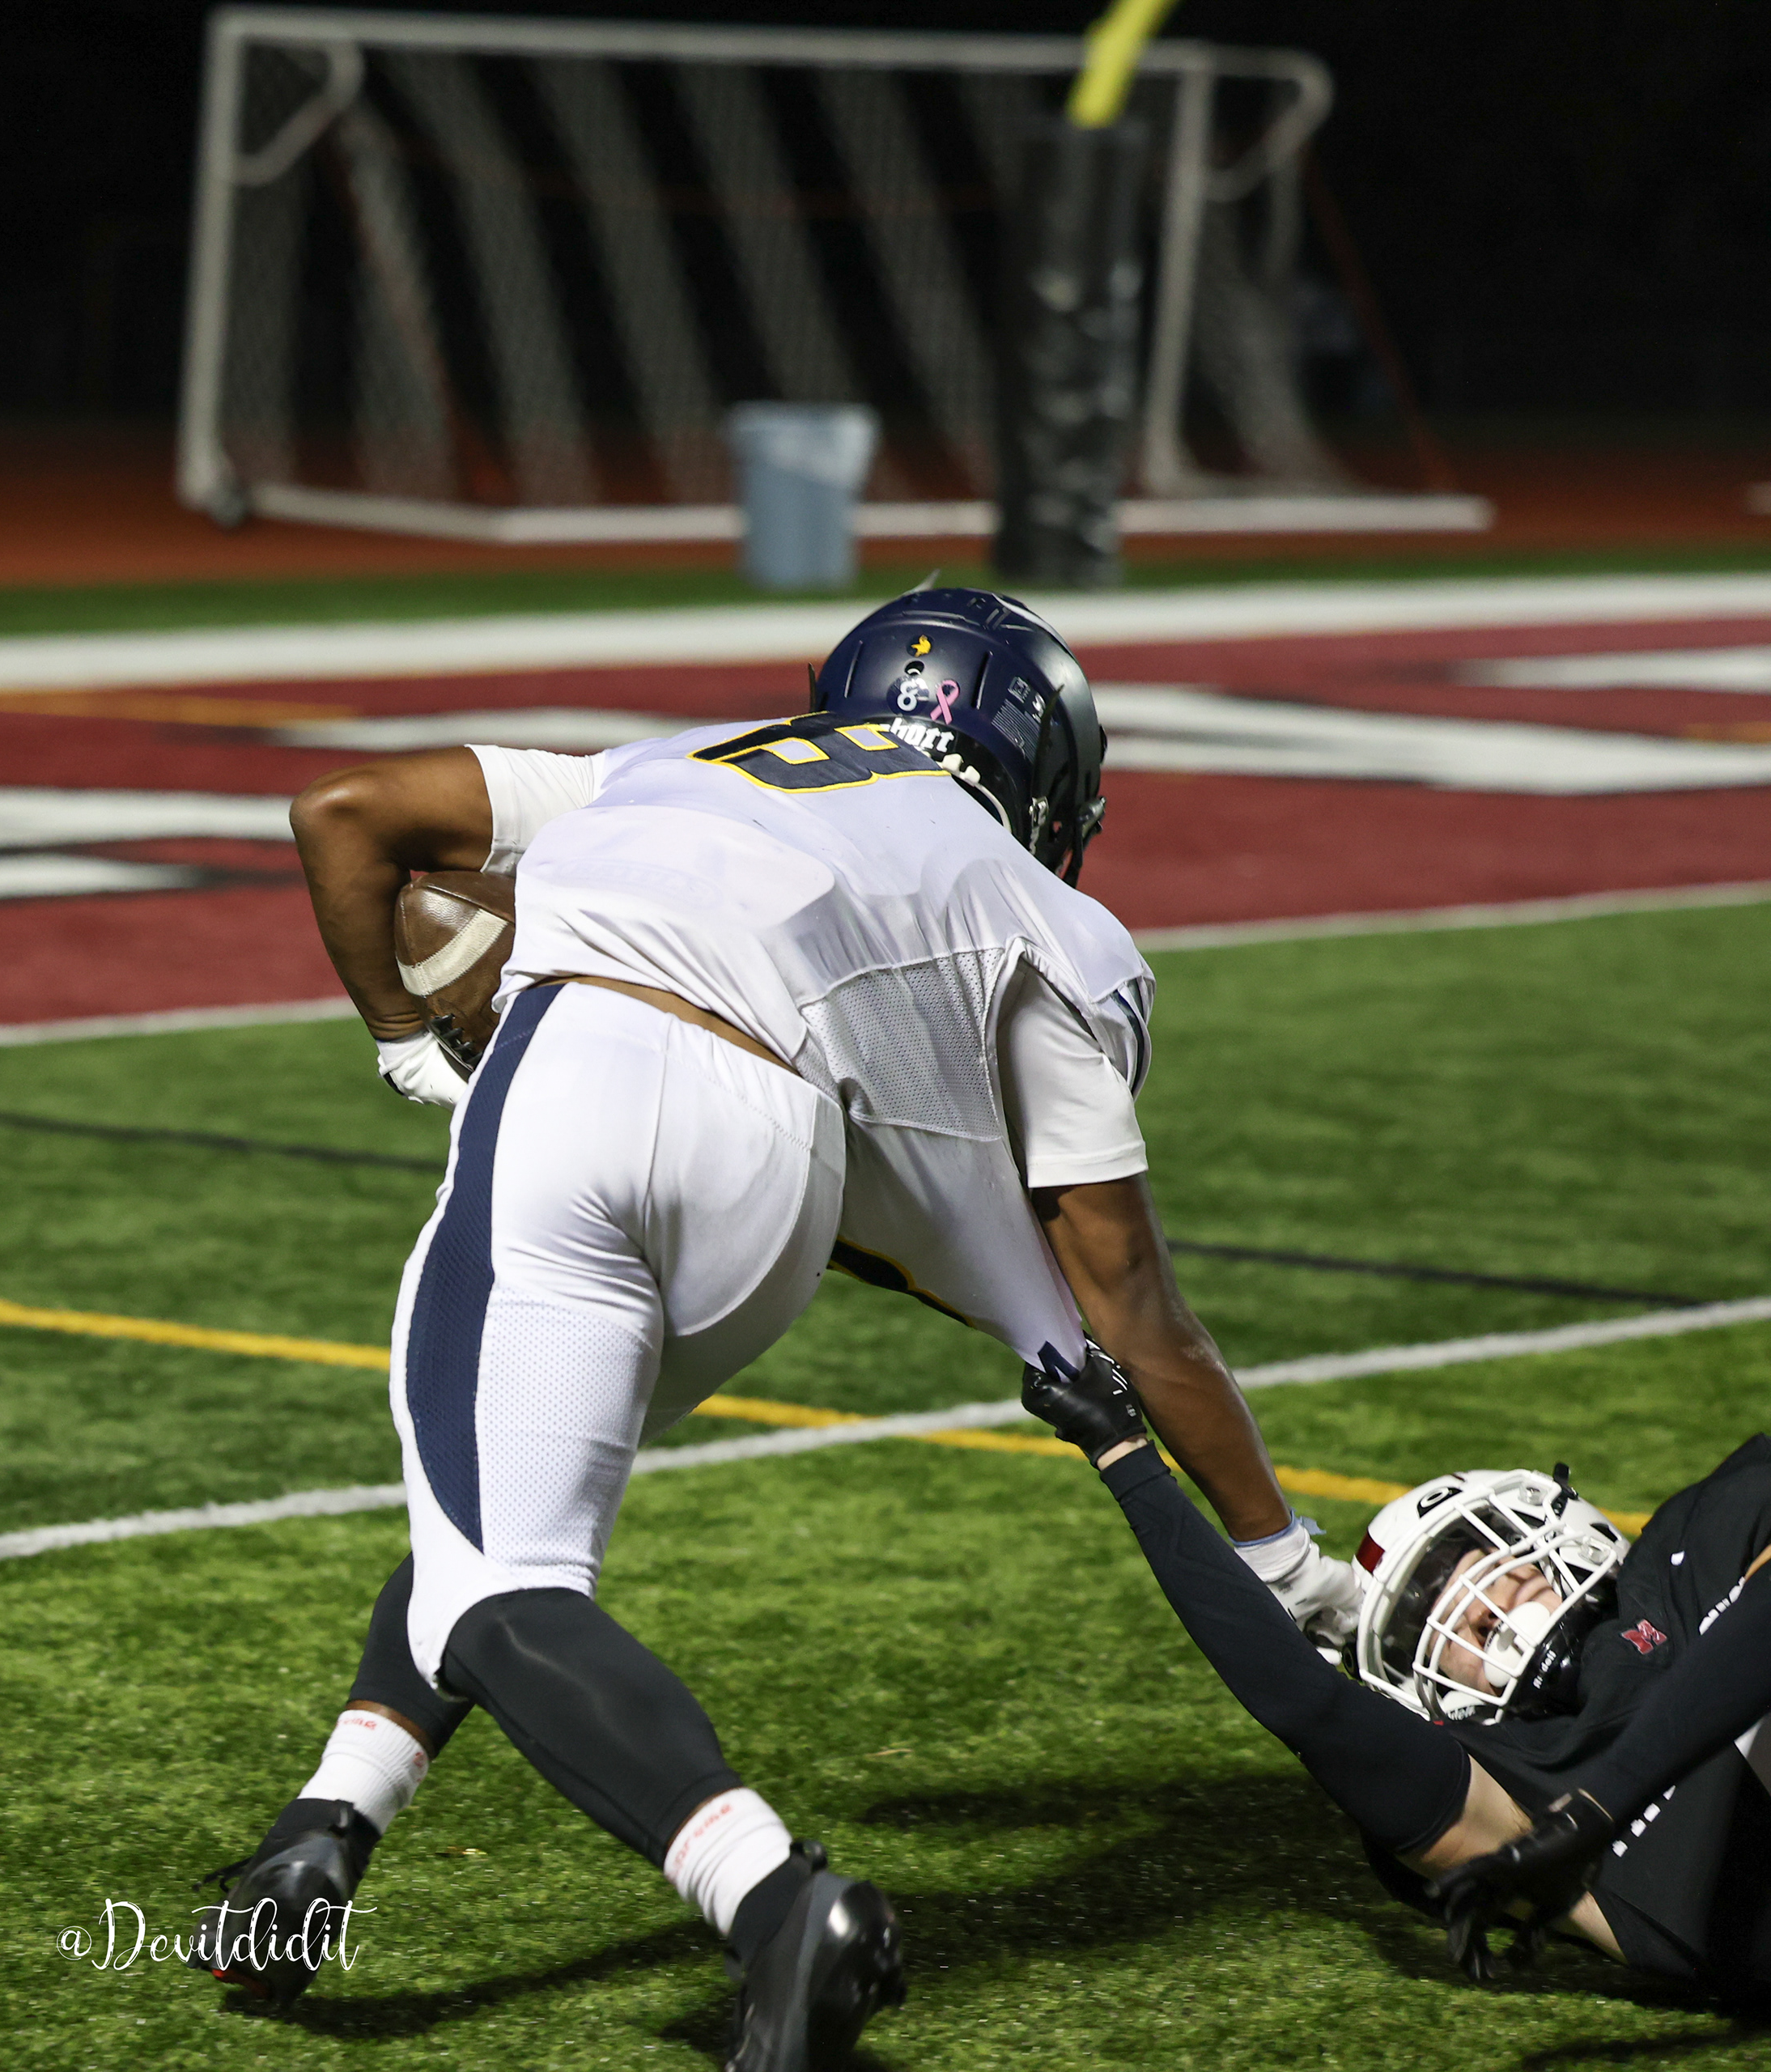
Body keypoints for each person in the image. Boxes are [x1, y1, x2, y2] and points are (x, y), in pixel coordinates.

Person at [193, 588, 1361, 2070]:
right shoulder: (1056, 922)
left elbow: (344, 814)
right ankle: (324, 1829)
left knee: (501, 1575)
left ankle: (776, 1900)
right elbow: (1135, 1308)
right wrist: (1286, 1562)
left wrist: (412, 1052)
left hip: (591, 1073)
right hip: (782, 1187)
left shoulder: (687, 759)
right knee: (500, 1517)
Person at [1020, 1352, 1771, 2000]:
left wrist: (1602, 1808)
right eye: (1426, 1626)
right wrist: (1124, 1455)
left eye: (1479, 1566)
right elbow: (1308, 1706)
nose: (1470, 1612)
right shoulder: (1510, 1784)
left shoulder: (1687, 1539)